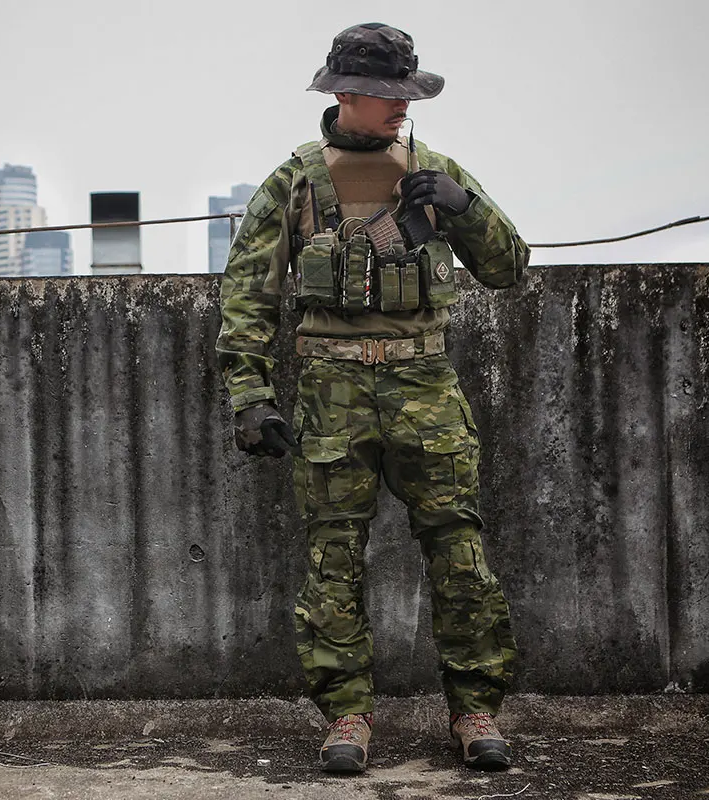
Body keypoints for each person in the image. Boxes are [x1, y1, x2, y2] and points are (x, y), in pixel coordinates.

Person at [216, 22, 530, 774]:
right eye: (387, 93)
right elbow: (248, 296)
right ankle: (347, 717)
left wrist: (462, 206)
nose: (401, 106)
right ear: (345, 94)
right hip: (332, 390)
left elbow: (509, 267)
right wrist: (250, 395)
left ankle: (475, 710)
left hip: (426, 385)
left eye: (406, 93)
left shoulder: (436, 170)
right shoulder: (294, 182)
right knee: (333, 559)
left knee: (459, 553)